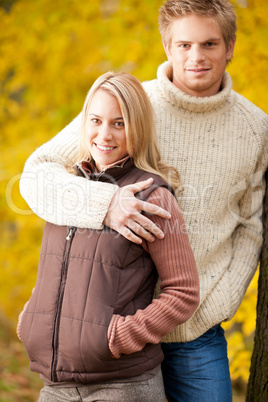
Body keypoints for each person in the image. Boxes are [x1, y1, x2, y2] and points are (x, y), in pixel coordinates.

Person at [19, 0, 268, 401]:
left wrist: (215, 305)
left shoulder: (257, 129)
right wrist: (105, 203)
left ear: (231, 46)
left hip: (195, 334)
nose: (196, 57)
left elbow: (250, 224)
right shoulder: (130, 104)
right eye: (184, 44)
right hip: (109, 338)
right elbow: (36, 172)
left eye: (209, 44)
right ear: (167, 45)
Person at [17, 72, 199, 402]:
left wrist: (117, 337)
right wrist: (31, 317)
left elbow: (184, 292)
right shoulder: (68, 190)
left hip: (121, 386)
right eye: (96, 120)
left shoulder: (151, 197)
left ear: (138, 128)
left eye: (119, 123)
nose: (104, 134)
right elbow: (56, 270)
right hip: (54, 386)